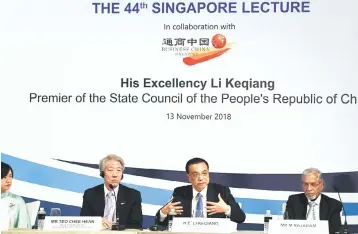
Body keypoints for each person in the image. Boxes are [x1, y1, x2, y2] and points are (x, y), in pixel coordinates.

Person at [155, 157, 246, 226]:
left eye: (204, 173)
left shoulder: (221, 191)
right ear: (189, 177)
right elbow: (162, 223)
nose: (201, 178)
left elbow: (241, 218)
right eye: (195, 174)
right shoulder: (180, 192)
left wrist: (227, 209)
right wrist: (163, 212)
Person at [80, 154, 143, 229]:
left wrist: (113, 227)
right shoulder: (90, 194)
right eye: (110, 170)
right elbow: (83, 222)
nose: (115, 175)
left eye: (119, 170)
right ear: (102, 173)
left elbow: (136, 225)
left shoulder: (133, 195)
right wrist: (96, 222)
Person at [285, 168, 342, 234]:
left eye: (313, 184)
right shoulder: (294, 201)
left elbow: (335, 230)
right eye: (305, 184)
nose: (309, 189)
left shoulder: (333, 205)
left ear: (322, 185)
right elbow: (288, 228)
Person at [1, 162, 31, 229]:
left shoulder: (17, 201)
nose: (8, 181)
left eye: (10, 176)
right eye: (4, 177)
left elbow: (23, 229)